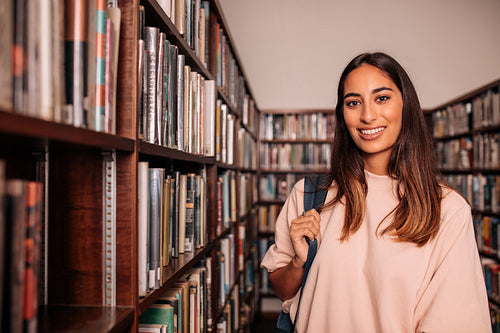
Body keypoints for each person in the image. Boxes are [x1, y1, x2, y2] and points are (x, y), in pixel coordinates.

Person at [261, 52, 491, 332]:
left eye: (382, 98)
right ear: (342, 114)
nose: (367, 116)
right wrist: (298, 261)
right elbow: (283, 291)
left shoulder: (448, 211)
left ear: (406, 106)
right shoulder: (309, 194)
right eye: (353, 102)